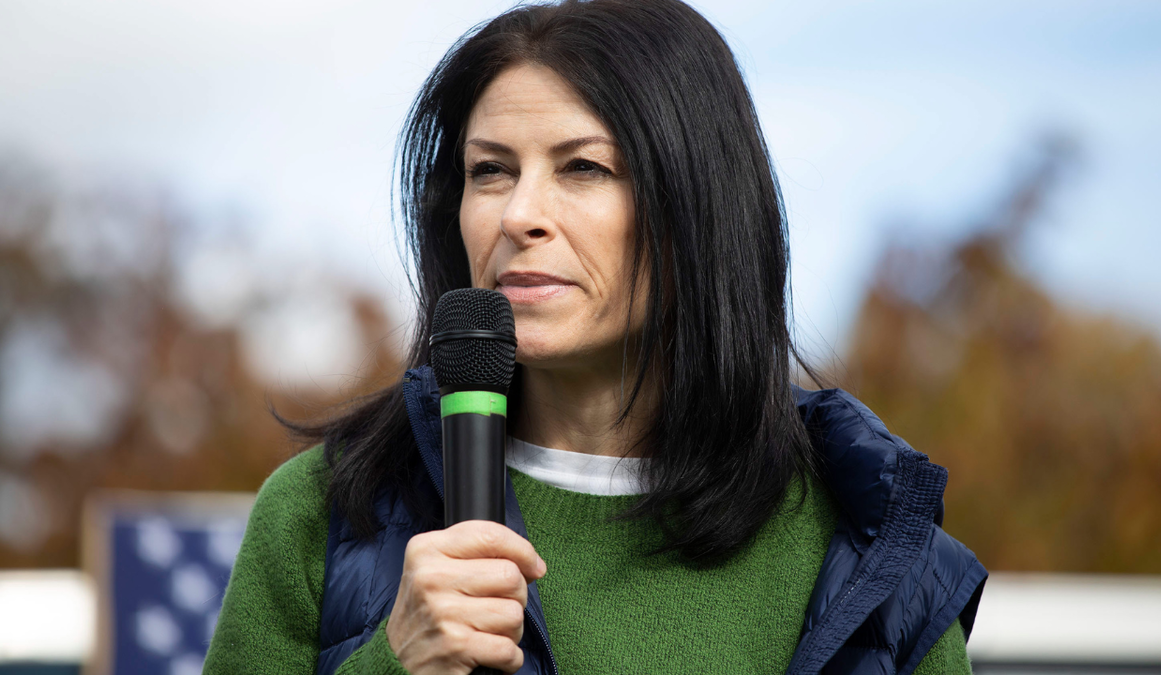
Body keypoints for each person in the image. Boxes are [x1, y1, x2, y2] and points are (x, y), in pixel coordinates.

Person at [203, 0, 987, 673]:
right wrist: (393, 661)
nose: (518, 215)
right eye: (490, 171)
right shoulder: (324, 513)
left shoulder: (871, 548)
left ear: (696, 208)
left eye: (582, 168)